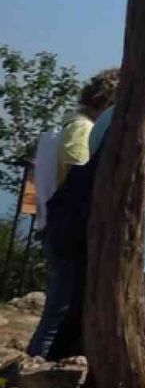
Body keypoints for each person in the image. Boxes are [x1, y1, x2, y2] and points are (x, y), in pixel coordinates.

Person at [28, 67, 118, 359]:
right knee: (61, 307)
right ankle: (36, 366)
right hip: (70, 227)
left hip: (56, 223)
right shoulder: (82, 128)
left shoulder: (63, 127)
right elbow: (81, 167)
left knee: (62, 304)